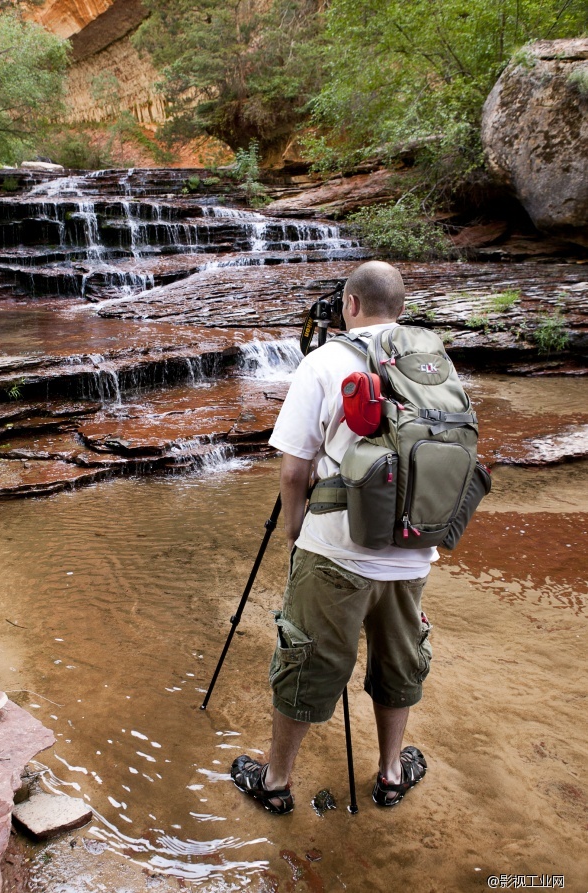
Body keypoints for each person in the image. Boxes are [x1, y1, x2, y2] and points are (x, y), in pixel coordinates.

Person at [231, 260, 434, 814]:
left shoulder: (324, 362)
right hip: (414, 549)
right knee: (399, 660)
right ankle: (391, 774)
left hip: (338, 549)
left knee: (309, 660)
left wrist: (296, 531)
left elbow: (295, 470)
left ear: (349, 305)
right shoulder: (433, 361)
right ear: (399, 307)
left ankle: (275, 781)